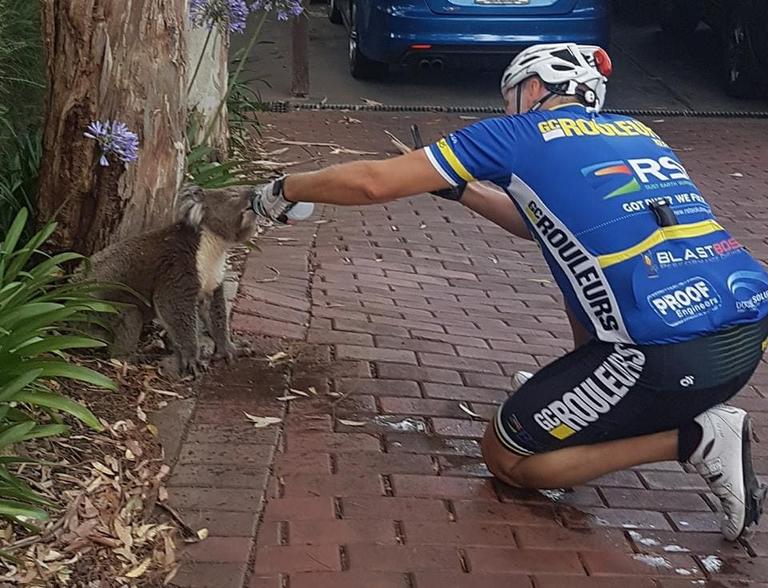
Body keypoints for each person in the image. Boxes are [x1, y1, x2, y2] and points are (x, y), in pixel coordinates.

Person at [250, 43, 768, 541]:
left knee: (509, 459)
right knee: (583, 261)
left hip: (663, 359)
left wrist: (281, 189)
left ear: (535, 86)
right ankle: (588, 384)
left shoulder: (518, 133)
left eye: (510, 94)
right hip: (744, 336)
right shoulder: (639, 132)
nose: (507, 106)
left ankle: (694, 439)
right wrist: (459, 189)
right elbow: (535, 223)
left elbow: (372, 183)